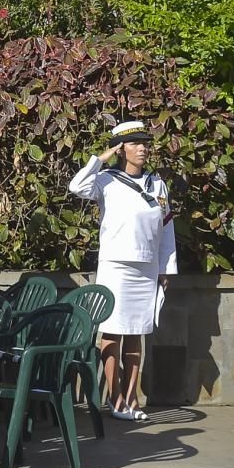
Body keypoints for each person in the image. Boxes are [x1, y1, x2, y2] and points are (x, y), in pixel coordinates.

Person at [68, 119, 177, 421]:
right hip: (116, 265)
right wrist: (100, 159)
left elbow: (167, 228)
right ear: (121, 149)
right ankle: (114, 398)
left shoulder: (157, 184)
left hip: (147, 268)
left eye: (145, 143)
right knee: (113, 332)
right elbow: (76, 186)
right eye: (134, 143)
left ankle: (133, 398)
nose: (142, 148)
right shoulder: (106, 180)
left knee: (137, 333)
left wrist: (166, 269)